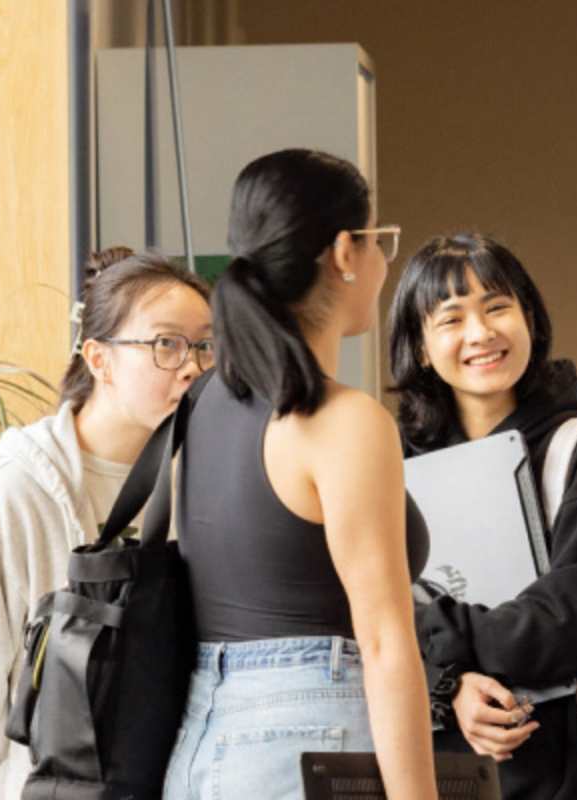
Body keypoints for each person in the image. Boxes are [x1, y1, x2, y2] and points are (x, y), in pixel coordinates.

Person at [163, 148, 440, 799]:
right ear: (344, 252)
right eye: (380, 242)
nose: (382, 262)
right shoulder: (344, 422)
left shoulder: (202, 405)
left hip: (204, 746)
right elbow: (385, 645)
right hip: (309, 739)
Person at [0, 249, 212, 796]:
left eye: (203, 345)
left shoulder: (207, 484)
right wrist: (32, 769)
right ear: (99, 359)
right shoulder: (19, 490)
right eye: (166, 343)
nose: (191, 364)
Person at [381, 234, 577, 799]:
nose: (481, 334)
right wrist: (447, 688)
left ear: (530, 319)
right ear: (421, 347)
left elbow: (568, 625)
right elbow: (363, 618)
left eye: (498, 307)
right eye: (451, 318)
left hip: (562, 766)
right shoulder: (389, 462)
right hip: (438, 768)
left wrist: (433, 638)